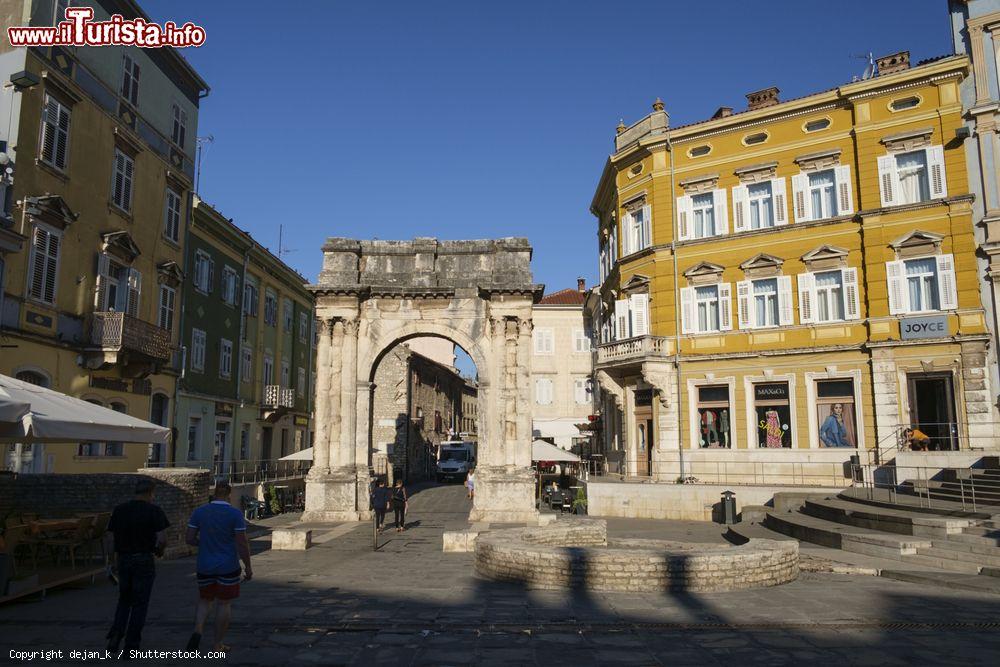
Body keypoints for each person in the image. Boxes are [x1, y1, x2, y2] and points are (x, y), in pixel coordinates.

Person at [185, 481, 252, 653]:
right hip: (227, 565)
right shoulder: (235, 514)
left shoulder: (199, 512)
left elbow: (190, 539)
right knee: (223, 604)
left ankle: (198, 629)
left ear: (214, 494)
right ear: (229, 495)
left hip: (204, 565)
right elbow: (242, 543)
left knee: (204, 600)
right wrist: (248, 566)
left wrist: (204, 543)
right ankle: (217, 644)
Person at [105, 478, 170, 652]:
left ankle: (117, 633)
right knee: (140, 603)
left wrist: (112, 561)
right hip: (143, 559)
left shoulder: (119, 510)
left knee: (124, 599)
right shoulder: (154, 511)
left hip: (124, 559)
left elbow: (110, 539)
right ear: (150, 493)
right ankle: (132, 645)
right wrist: (160, 551)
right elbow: (162, 539)